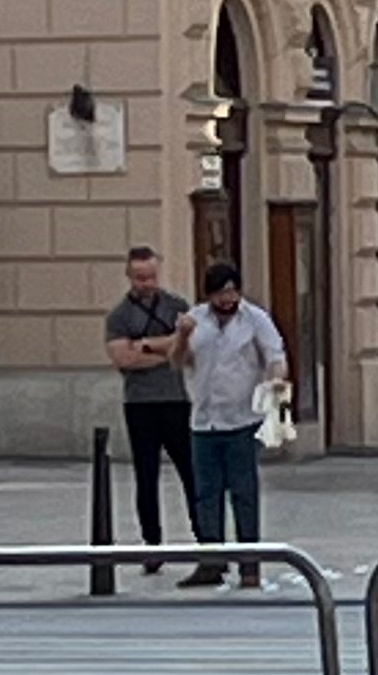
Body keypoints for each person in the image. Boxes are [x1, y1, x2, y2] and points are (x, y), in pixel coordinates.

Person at [178, 260, 288, 590]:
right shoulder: (195, 319)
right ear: (209, 294)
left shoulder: (255, 319)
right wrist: (181, 336)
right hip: (204, 420)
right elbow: (179, 360)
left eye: (232, 292)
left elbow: (275, 356)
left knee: (244, 492)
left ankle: (249, 566)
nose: (227, 300)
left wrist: (276, 382)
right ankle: (211, 561)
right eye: (220, 293)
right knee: (206, 494)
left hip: (242, 419)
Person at [104, 243, 193, 567]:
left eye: (152, 276)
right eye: (140, 277)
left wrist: (145, 346)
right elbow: (123, 359)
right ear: (129, 276)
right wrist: (167, 350)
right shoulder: (119, 316)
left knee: (191, 473)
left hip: (176, 400)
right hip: (140, 403)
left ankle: (206, 540)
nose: (147, 283)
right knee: (146, 475)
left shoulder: (177, 306)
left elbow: (188, 350)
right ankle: (151, 544)